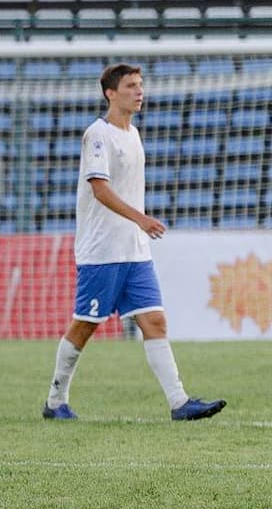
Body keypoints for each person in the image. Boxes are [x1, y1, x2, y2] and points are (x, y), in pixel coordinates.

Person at [43, 63, 226, 423]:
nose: (139, 91)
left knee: (155, 322)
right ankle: (54, 401)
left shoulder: (134, 134)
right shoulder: (98, 134)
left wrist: (138, 228)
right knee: (85, 326)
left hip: (134, 251)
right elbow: (99, 188)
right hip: (102, 252)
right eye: (131, 86)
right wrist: (140, 219)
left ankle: (179, 403)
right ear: (111, 93)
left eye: (140, 85)